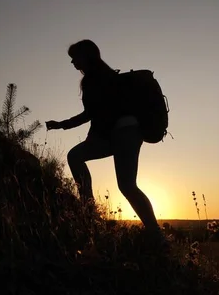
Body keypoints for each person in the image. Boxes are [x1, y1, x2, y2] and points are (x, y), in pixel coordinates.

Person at [45, 39, 162, 235]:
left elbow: (91, 114)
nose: (73, 62)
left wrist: (62, 125)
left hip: (122, 133)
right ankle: (155, 234)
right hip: (128, 133)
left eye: (75, 58)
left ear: (87, 56)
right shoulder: (108, 76)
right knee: (127, 186)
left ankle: (89, 211)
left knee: (122, 183)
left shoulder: (93, 79)